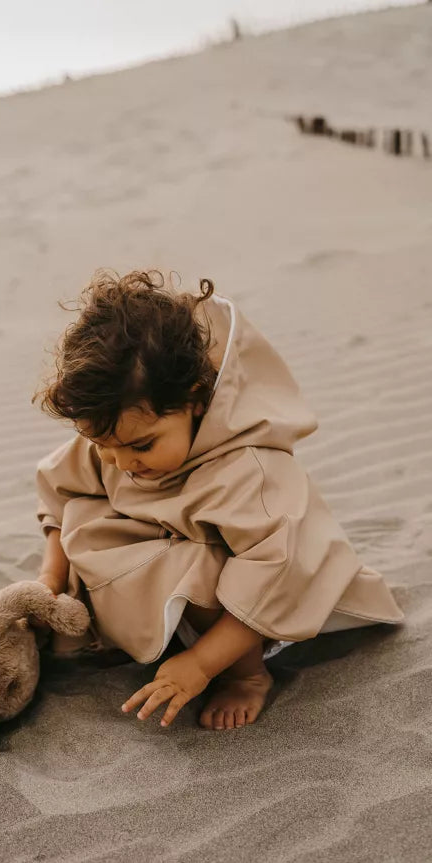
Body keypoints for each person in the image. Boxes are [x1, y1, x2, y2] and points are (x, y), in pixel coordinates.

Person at [32, 270, 404, 731]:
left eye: (142, 446)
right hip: (171, 561)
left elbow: (278, 575)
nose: (122, 461)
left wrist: (203, 664)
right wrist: (51, 576)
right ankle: (127, 633)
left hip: (263, 597)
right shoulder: (117, 435)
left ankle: (248, 676)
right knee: (84, 514)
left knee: (207, 568)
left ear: (196, 402)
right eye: (104, 445)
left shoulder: (248, 471)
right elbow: (63, 487)